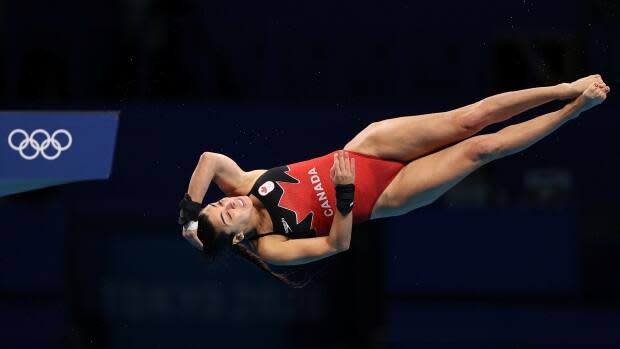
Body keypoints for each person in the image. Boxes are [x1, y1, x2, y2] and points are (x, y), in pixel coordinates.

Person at [178, 75, 610, 287]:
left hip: (367, 148)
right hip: (382, 196)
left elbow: (209, 160)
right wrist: (345, 197)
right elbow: (337, 245)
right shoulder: (273, 246)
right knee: (481, 150)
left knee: (469, 118)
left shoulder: (246, 186)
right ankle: (574, 110)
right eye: (222, 215)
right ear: (236, 240)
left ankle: (564, 88)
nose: (224, 206)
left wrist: (189, 216)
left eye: (216, 205)